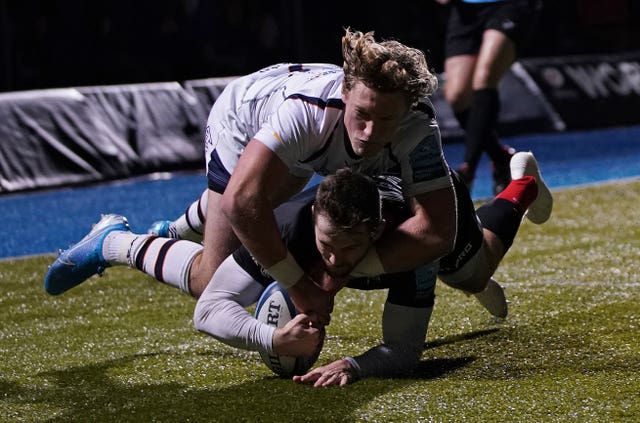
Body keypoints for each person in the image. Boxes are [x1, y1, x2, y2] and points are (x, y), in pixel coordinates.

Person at [46, 28, 458, 326]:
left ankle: (175, 228)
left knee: (278, 198)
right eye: (362, 115)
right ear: (346, 93)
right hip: (242, 120)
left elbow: (439, 231)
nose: (369, 132)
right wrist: (300, 287)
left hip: (297, 142)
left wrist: (335, 275)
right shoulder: (307, 115)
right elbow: (242, 204)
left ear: (405, 113)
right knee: (212, 274)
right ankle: (114, 241)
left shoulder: (417, 128)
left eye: (385, 120)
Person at [43, 150, 553, 387]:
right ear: (314, 219)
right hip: (247, 134)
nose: (333, 259)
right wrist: (271, 340)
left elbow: (404, 351)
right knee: (210, 275)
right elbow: (208, 309)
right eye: (325, 245)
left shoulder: (411, 246)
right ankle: (133, 236)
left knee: (471, 274)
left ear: (374, 234)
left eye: (347, 251)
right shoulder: (291, 227)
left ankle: (519, 186)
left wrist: (355, 365)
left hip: (437, 200)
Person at [433, 0, 542, 194]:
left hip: (508, 6)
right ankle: (501, 158)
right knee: (457, 97)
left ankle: (467, 170)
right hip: (466, 10)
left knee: (485, 76)